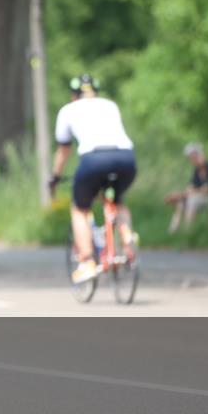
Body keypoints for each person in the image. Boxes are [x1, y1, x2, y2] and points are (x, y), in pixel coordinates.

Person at [49, 74, 137, 284]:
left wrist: (55, 178)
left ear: (73, 95)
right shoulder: (110, 105)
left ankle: (87, 261)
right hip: (126, 157)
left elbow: (63, 151)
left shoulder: (68, 110)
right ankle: (127, 239)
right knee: (118, 201)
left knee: (80, 208)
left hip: (94, 159)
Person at [164, 143, 208, 233]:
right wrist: (178, 196)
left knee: (192, 200)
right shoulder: (196, 171)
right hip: (201, 198)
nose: (193, 160)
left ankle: (188, 230)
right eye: (191, 158)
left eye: (195, 156)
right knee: (180, 204)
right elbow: (190, 188)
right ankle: (173, 232)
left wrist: (190, 192)